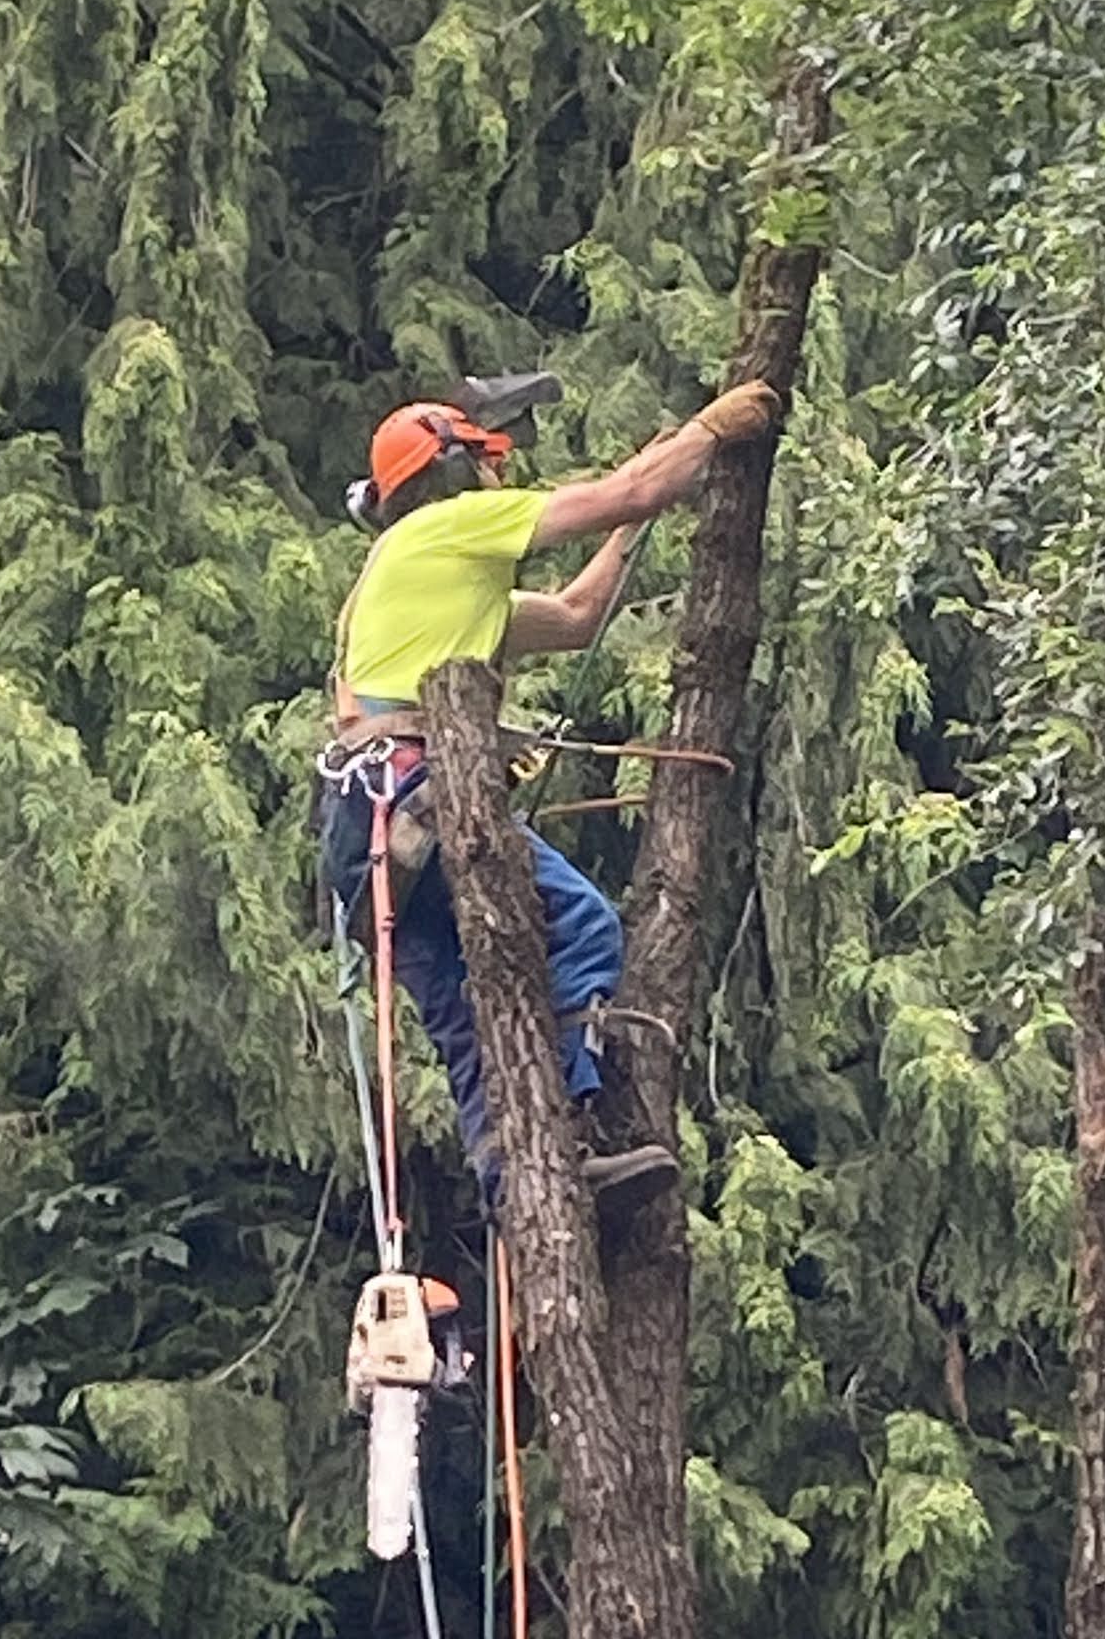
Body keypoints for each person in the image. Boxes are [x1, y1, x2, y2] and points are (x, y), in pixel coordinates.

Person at [316, 372, 777, 1212]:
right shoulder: (448, 529)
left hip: (368, 831)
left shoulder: (436, 575)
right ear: (454, 471)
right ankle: (570, 1126)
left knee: (466, 1018)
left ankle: (515, 1186)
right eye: (490, 462)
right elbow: (628, 487)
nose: (502, 476)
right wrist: (707, 432)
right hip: (409, 794)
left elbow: (574, 616)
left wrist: (637, 514)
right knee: (582, 924)